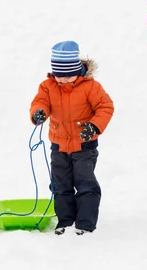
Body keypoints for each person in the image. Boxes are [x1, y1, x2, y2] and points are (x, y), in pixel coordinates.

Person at [30, 40, 114, 235]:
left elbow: (105, 107)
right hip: (59, 146)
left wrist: (94, 127)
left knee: (86, 185)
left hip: (84, 145)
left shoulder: (90, 87)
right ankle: (65, 222)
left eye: (68, 76)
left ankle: (85, 224)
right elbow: (40, 102)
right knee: (61, 186)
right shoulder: (48, 86)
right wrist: (39, 113)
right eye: (59, 76)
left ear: (78, 70)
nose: (63, 80)